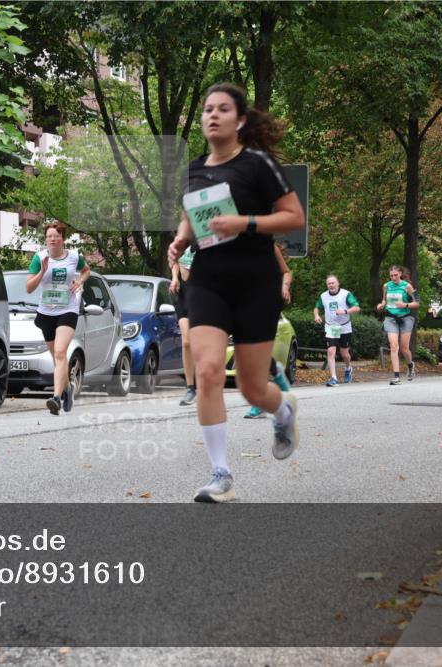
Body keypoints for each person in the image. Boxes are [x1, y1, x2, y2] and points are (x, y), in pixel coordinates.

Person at [167, 82, 305, 503]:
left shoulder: (258, 164)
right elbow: (192, 216)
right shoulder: (193, 169)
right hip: (209, 279)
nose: (212, 115)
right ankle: (220, 473)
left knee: (251, 388)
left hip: (255, 281)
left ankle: (282, 411)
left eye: (222, 109)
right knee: (208, 370)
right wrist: (180, 240)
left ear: (240, 120)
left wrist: (244, 223)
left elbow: (293, 217)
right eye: (208, 109)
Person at [25, 222, 90, 415]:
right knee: (56, 358)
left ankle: (55, 397)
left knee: (61, 353)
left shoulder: (74, 257)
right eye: (49, 236)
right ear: (46, 240)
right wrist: (42, 272)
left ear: (62, 238)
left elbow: (87, 270)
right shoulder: (39, 258)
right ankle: (67, 388)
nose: (53, 239)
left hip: (68, 310)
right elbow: (29, 287)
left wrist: (80, 281)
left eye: (56, 236)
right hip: (46, 313)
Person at [245, 243, 294, 418]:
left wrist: (285, 287)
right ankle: (277, 373)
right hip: (245, 304)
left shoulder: (268, 246)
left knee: (260, 349)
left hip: (269, 300)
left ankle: (259, 402)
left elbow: (287, 272)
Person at [313, 274, 360, 386]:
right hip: (332, 326)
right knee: (331, 351)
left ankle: (348, 368)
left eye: (333, 283)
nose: (331, 285)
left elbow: (357, 307)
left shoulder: (346, 294)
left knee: (344, 353)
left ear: (338, 283)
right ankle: (334, 378)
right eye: (329, 283)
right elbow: (317, 307)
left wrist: (345, 311)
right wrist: (316, 315)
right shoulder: (323, 296)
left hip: (344, 326)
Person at [376, 265, 419, 385]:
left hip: (405, 318)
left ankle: (410, 365)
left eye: (395, 275)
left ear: (400, 274)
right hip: (391, 318)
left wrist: (405, 305)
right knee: (394, 346)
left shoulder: (407, 286)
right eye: (391, 276)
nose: (393, 277)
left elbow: (417, 303)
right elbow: (384, 300)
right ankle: (396, 377)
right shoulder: (386, 286)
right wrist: (381, 305)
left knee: (404, 348)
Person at [170, 247, 197, 406]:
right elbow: (174, 262)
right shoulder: (181, 242)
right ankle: (190, 388)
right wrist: (175, 278)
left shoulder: (207, 240)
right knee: (186, 342)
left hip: (201, 297)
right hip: (184, 297)